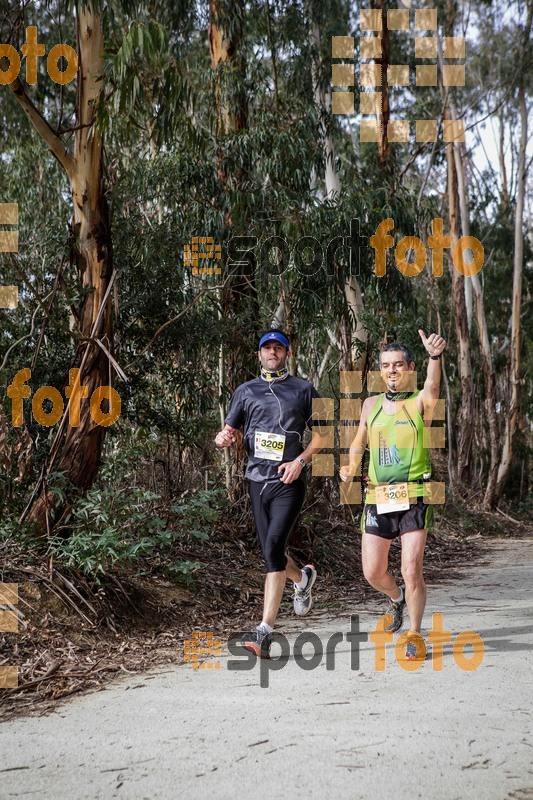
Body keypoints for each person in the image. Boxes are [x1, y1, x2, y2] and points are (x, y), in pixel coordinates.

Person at [215, 329, 328, 658]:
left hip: (289, 481)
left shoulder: (304, 389)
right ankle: (302, 578)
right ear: (259, 354)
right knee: (271, 552)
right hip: (256, 481)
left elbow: (321, 436)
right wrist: (224, 437)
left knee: (274, 547)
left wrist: (300, 461)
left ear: (287, 354)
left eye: (279, 347)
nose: (273, 352)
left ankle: (263, 630)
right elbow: (230, 429)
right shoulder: (245, 391)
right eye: (268, 347)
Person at [340, 329, 446, 660]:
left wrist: (435, 357)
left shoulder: (419, 402)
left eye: (398, 365)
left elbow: (433, 387)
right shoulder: (370, 404)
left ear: (410, 368)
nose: (392, 371)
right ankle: (396, 598)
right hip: (378, 497)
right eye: (386, 366)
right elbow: (360, 440)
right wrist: (351, 465)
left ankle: (414, 633)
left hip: (414, 493)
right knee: (373, 571)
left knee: (411, 568)